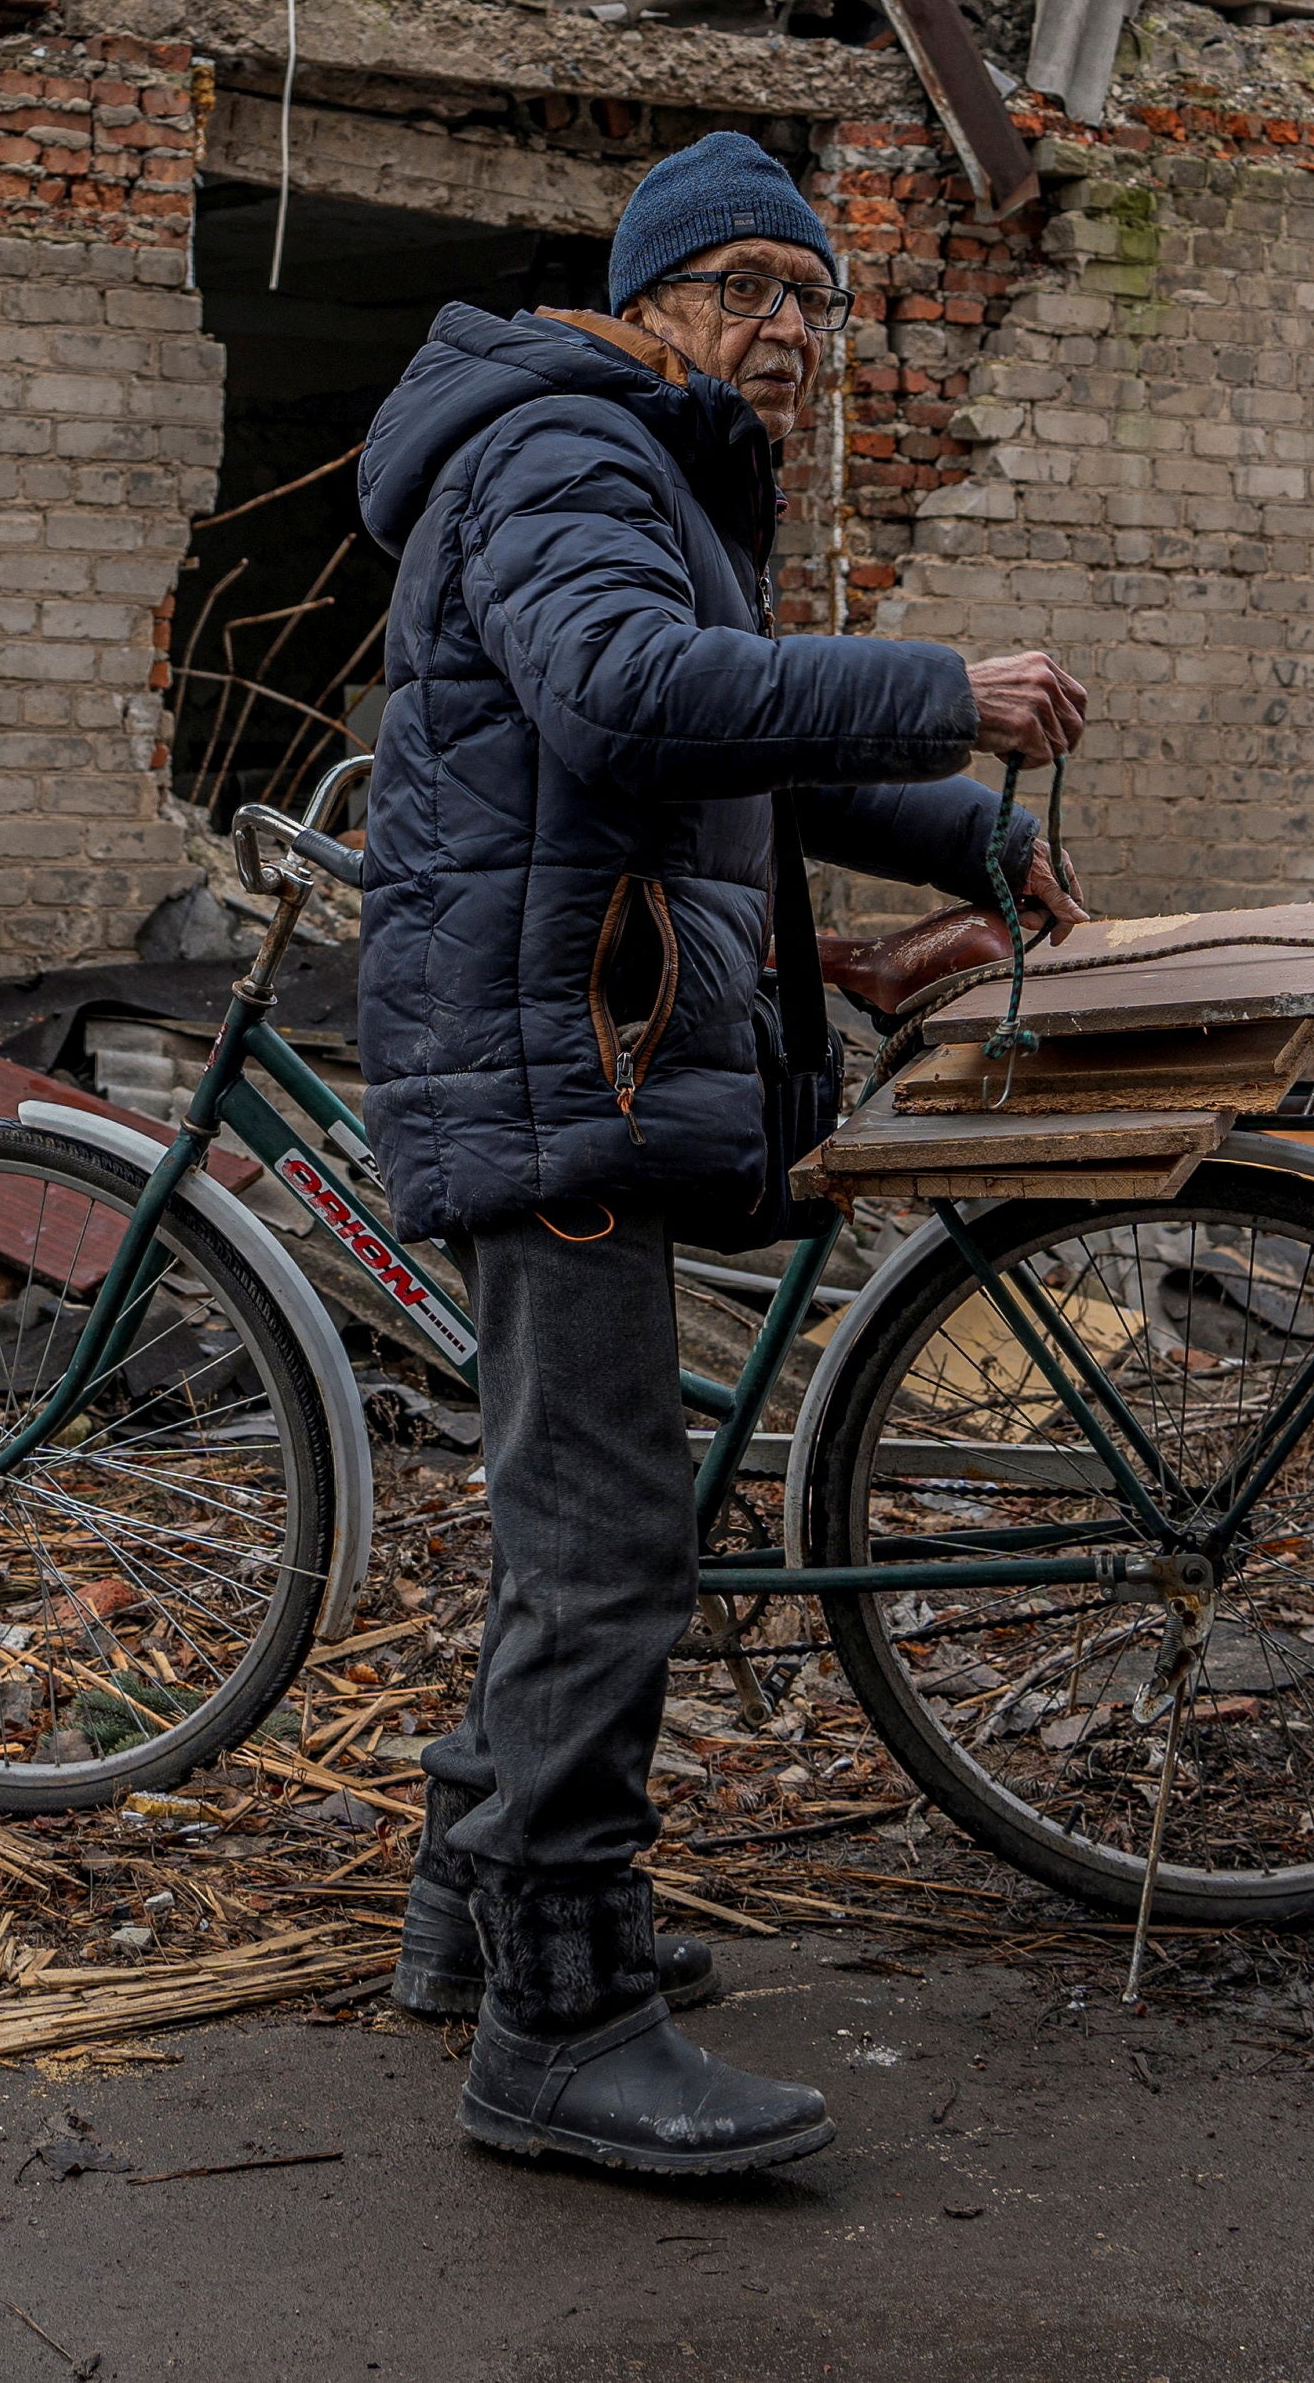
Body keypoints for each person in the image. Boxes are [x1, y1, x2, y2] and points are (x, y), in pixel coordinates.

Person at [348, 129, 1087, 2180]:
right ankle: (555, 2029)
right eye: (740, 284)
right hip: (548, 1050)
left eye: (809, 293)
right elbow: (626, 693)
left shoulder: (623, 456)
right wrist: (944, 693)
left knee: (568, 1519)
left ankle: (461, 1919)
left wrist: (972, 838)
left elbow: (724, 741)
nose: (779, 327)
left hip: (570, 1031)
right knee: (606, 1550)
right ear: (647, 296)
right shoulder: (564, 452)